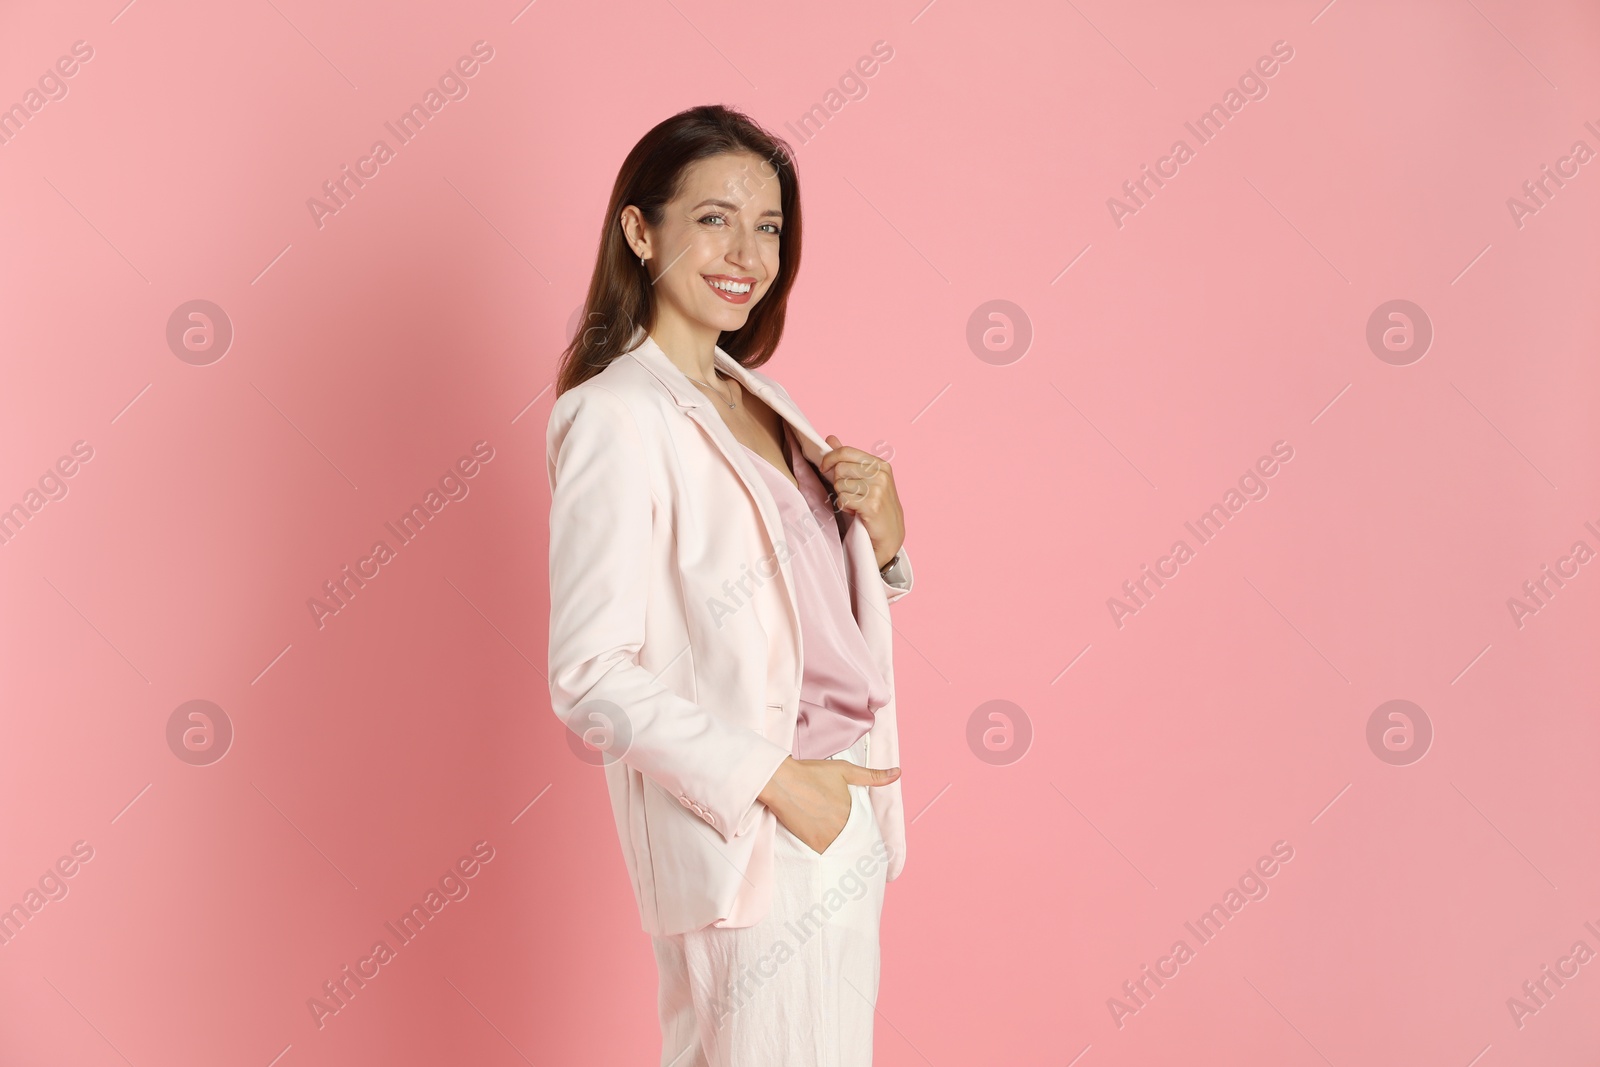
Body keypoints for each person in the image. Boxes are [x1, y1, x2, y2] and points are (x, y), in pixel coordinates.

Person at [545, 103, 915, 1066]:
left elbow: (798, 614)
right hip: (755, 837)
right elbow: (590, 677)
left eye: (770, 227)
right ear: (641, 228)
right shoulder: (616, 414)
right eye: (714, 217)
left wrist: (885, 543)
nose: (747, 251)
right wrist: (778, 785)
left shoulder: (756, 394)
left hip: (839, 823)